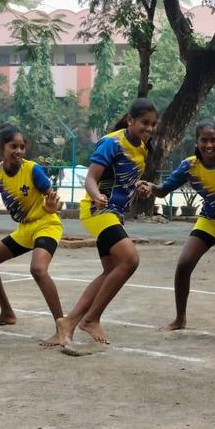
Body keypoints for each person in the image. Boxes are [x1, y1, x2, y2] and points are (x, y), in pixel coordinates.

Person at [136, 120, 215, 343]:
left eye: (213, 139)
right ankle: (180, 318)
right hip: (209, 218)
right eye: (204, 140)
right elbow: (163, 191)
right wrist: (149, 186)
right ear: (197, 142)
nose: (209, 145)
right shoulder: (189, 166)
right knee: (184, 264)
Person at [61, 98, 156, 352]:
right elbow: (91, 178)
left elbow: (124, 178)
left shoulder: (144, 148)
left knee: (110, 271)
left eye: (152, 125)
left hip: (115, 214)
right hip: (98, 211)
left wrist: (139, 187)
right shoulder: (111, 143)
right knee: (130, 259)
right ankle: (90, 319)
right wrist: (96, 195)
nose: (148, 128)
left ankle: (69, 321)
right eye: (144, 123)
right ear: (130, 120)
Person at [0, 125, 72, 347]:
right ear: (2, 148)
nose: (19, 151)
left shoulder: (33, 170)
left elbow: (55, 202)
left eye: (22, 147)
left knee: (38, 269)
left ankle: (62, 326)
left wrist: (50, 208)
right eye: (13, 147)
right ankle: (7, 313)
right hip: (24, 230)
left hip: (46, 225)